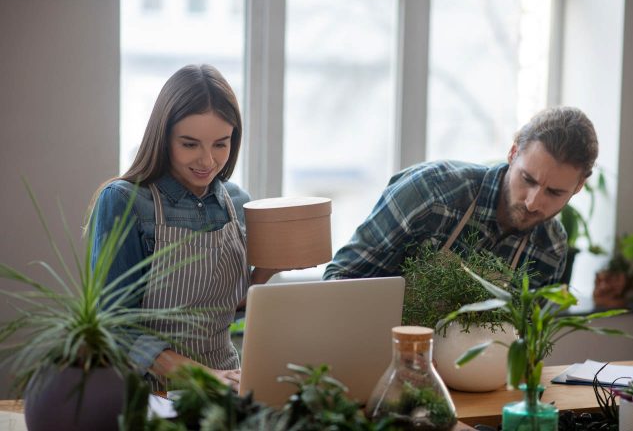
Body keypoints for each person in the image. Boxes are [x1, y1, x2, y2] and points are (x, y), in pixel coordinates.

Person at [88, 64, 276, 392]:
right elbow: (114, 326)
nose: (207, 161)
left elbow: (226, 309)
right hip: (147, 390)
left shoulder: (237, 202)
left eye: (221, 144)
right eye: (190, 144)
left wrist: (268, 270)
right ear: (163, 136)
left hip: (226, 381)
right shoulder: (124, 201)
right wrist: (199, 375)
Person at [323, 106, 598, 288]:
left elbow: (522, 344)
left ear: (577, 187)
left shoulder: (550, 249)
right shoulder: (432, 192)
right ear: (513, 153)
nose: (533, 202)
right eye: (527, 179)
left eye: (554, 192)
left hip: (479, 375)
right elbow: (340, 281)